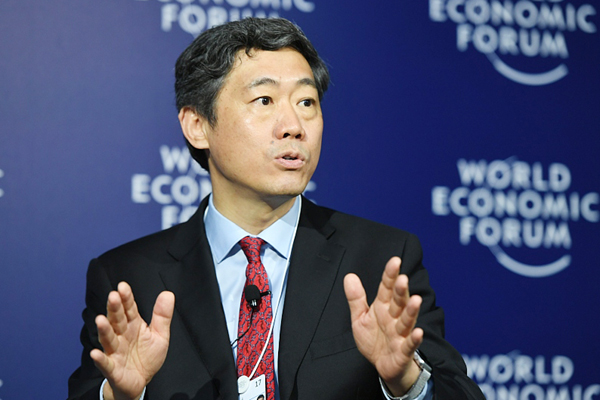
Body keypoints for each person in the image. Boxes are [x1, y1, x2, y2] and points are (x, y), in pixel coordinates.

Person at [67, 17, 484, 400]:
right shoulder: (128, 278)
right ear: (197, 125)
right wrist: (119, 396)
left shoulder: (380, 261)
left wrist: (406, 380)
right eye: (264, 100)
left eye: (306, 102)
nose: (293, 127)